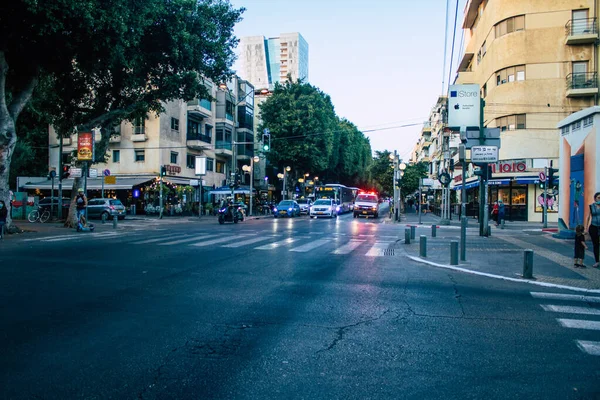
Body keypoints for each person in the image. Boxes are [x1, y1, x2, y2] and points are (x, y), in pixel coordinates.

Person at [585, 191, 600, 268]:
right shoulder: (591, 206)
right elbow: (588, 217)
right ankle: (597, 261)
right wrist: (586, 228)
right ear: (595, 199)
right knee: (596, 244)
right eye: (598, 198)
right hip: (594, 226)